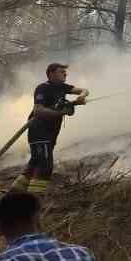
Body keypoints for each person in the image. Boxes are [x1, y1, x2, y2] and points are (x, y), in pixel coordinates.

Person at [13, 64, 87, 196]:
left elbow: (84, 90)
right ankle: (33, 199)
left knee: (35, 163)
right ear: (51, 74)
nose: (65, 74)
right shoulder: (43, 88)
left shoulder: (63, 87)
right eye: (61, 72)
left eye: (65, 72)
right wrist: (62, 111)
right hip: (39, 132)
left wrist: (81, 96)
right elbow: (39, 111)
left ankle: (15, 194)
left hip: (50, 133)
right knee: (45, 167)